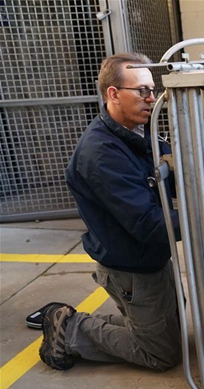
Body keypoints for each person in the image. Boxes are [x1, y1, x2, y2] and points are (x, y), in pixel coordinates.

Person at [37, 53, 183, 371]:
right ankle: (70, 328)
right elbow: (148, 224)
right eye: (141, 90)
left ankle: (112, 326)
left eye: (152, 89)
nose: (151, 98)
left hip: (150, 257)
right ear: (113, 94)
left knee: (177, 330)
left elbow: (172, 175)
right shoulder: (101, 154)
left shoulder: (137, 133)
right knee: (161, 354)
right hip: (129, 267)